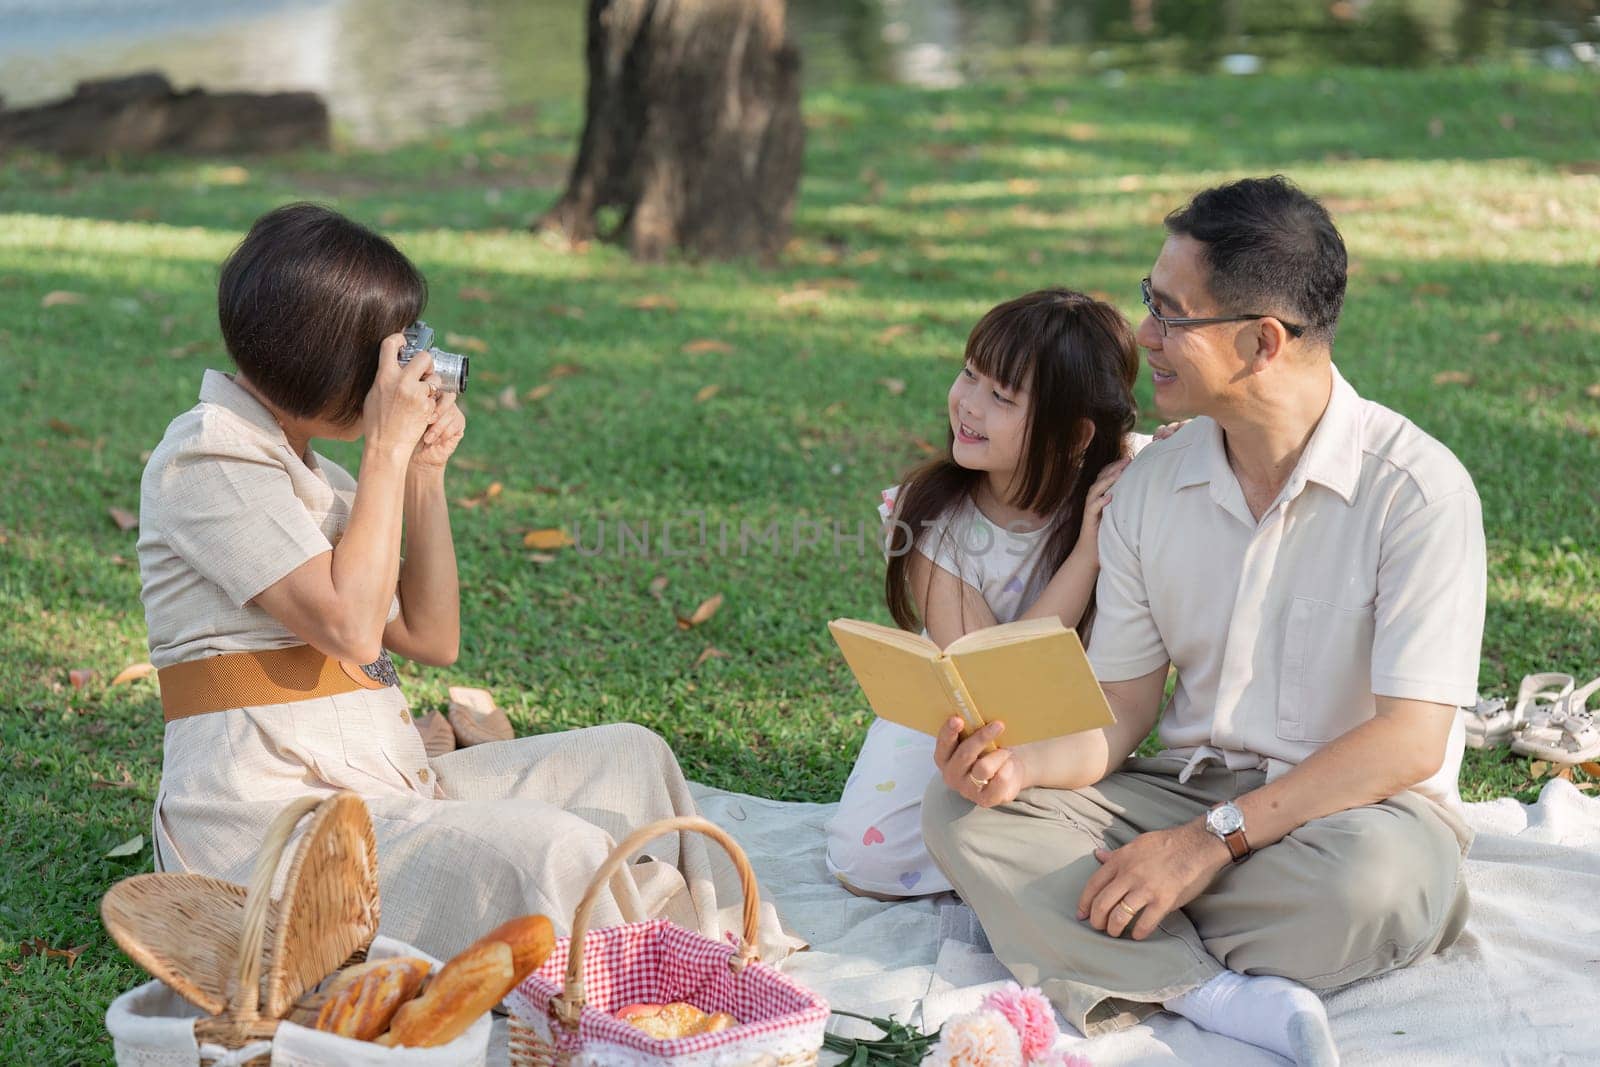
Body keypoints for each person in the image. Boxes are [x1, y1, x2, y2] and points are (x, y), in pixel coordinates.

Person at [137, 202, 796, 961]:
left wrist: (422, 471)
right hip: (275, 826)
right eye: (389, 354)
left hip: (387, 789)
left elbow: (430, 637)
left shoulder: (322, 475)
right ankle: (636, 982)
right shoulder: (206, 457)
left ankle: (705, 947)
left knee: (630, 757)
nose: (406, 368)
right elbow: (352, 627)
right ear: (326, 361)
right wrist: (387, 446)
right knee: (547, 851)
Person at [923, 176, 1484, 1066]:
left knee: (1377, 886)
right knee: (964, 816)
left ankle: (1106, 934)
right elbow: (1123, 707)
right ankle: (1219, 993)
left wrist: (1206, 846)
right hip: (1182, 787)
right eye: (1152, 301)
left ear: (1263, 342)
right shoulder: (1152, 485)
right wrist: (1019, 766)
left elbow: (1409, 741)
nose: (1145, 336)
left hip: (1354, 818)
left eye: (1170, 312)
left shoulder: (1417, 493)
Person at [826, 288, 1156, 898]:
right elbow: (995, 679)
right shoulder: (932, 518)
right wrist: (1085, 555)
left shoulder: (1127, 479)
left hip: (1069, 722)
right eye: (970, 374)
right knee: (867, 860)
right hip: (960, 716)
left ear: (1077, 433)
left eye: (1001, 396)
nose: (968, 405)